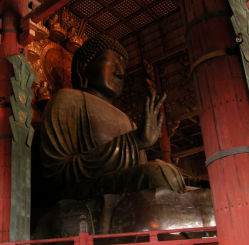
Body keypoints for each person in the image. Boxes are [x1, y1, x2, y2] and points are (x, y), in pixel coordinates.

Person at [40, 34, 186, 201]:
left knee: (178, 179)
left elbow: (139, 170)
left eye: (123, 67)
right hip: (83, 192)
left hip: (122, 188)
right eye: (113, 63)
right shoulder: (67, 100)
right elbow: (56, 173)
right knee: (157, 175)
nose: (120, 73)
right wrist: (134, 142)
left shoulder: (126, 119)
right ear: (83, 66)